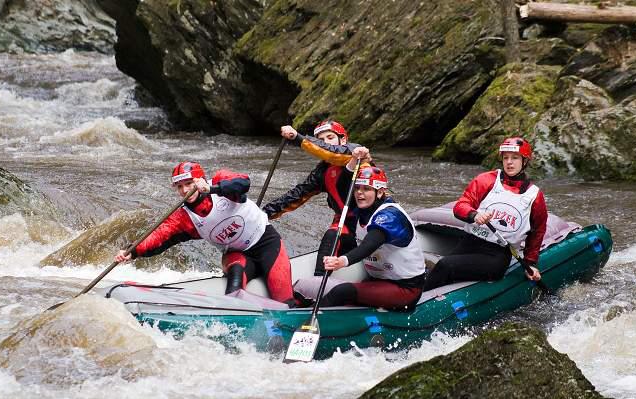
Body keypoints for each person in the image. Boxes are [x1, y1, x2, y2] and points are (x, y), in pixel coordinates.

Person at [115, 161, 296, 306]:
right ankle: (235, 315)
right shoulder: (183, 217)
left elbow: (243, 183)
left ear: (200, 180)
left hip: (266, 242)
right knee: (234, 286)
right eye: (179, 186)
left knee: (284, 300)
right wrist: (131, 250)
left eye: (189, 183)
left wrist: (213, 189)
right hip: (236, 254)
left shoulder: (220, 181)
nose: (185, 190)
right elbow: (159, 236)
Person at [423, 137, 548, 291]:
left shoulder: (535, 196)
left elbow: (538, 232)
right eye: (506, 157)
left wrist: (530, 263)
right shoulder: (486, 180)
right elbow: (460, 206)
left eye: (515, 158)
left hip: (496, 256)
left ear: (525, 161)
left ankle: (415, 303)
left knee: (445, 265)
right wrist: (473, 215)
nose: (509, 162)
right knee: (438, 269)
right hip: (469, 243)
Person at [320, 156, 427, 311]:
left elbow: (370, 244)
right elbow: (341, 188)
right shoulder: (361, 209)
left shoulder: (390, 216)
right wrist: (353, 161)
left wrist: (342, 261)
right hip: (378, 280)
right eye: (357, 188)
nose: (359, 193)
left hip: (406, 288)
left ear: (380, 192)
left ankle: (308, 323)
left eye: (366, 189)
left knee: (342, 292)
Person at [262, 119, 366, 276]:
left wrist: (298, 137)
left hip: (370, 221)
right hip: (346, 226)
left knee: (335, 233)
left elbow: (331, 152)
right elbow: (296, 195)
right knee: (332, 233)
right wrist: (261, 214)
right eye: (321, 140)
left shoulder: (356, 152)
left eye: (330, 137)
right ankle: (317, 283)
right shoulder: (322, 172)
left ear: (343, 139)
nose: (325, 143)